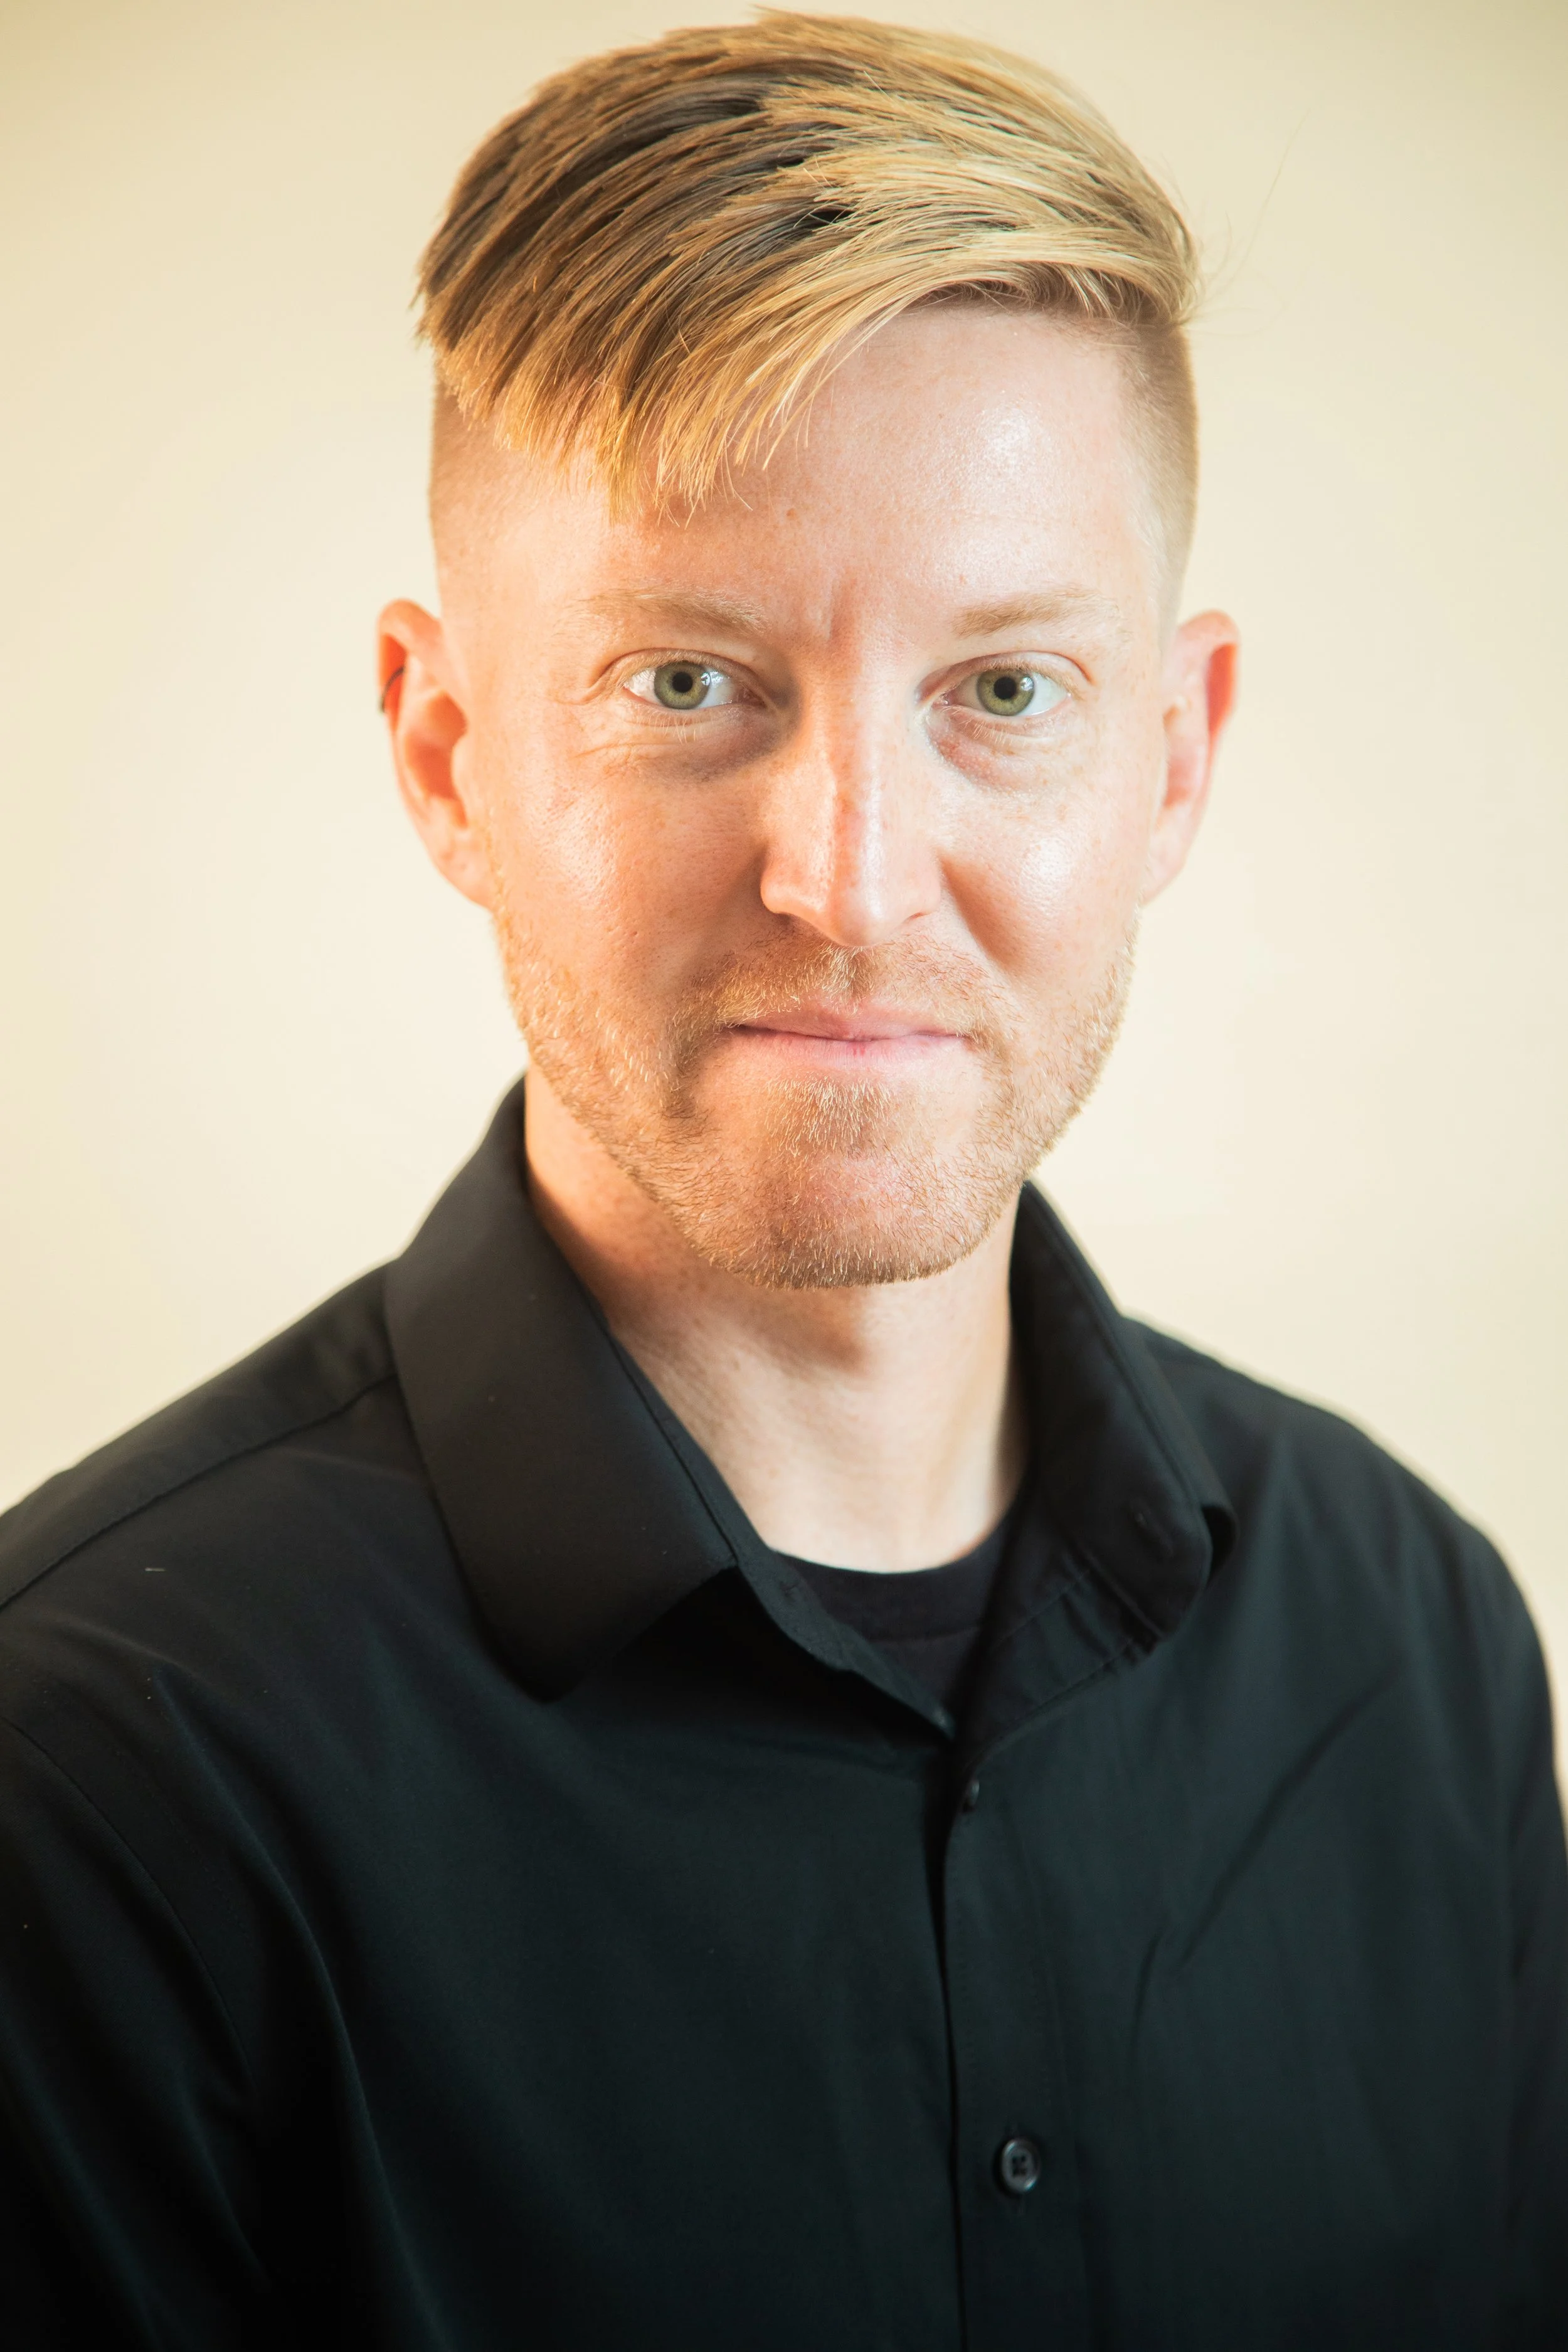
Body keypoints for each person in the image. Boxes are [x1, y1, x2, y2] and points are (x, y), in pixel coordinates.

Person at [1, 14, 1563, 2347]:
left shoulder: (1413, 1645)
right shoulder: (91, 1769)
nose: (849, 877)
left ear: (1170, 756)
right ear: (447, 752)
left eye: (1004, 691)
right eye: (685, 683)